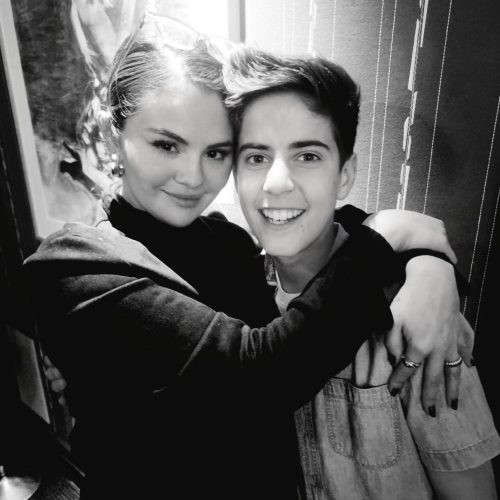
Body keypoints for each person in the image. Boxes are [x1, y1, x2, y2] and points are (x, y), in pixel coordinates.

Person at [24, 13, 469, 500]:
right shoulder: (74, 265)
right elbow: (257, 377)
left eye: (216, 152)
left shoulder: (226, 241)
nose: (193, 177)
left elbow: (324, 244)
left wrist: (428, 264)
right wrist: (390, 234)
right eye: (166, 145)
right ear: (113, 134)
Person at [224, 45, 500, 499]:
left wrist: (427, 263)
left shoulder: (414, 311)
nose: (276, 182)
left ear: (345, 175)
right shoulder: (229, 292)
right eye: (256, 157)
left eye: (307, 156)